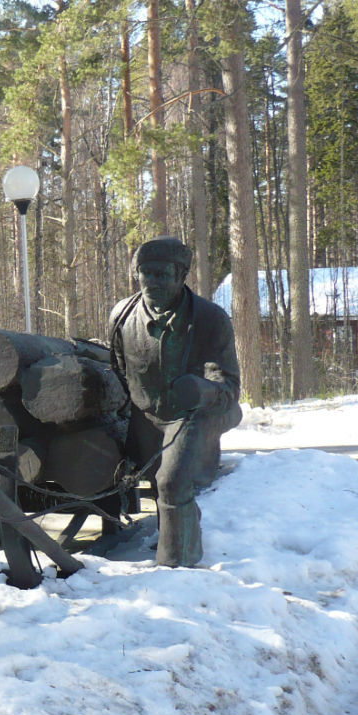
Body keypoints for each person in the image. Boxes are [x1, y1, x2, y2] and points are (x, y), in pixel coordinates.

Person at [108, 236, 242, 567]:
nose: (152, 282)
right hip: (146, 414)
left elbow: (229, 387)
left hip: (195, 412)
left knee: (171, 482)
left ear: (181, 275)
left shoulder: (210, 318)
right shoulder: (121, 316)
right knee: (141, 475)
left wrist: (200, 390)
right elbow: (119, 370)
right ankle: (167, 534)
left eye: (162, 274)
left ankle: (177, 567)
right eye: (145, 273)